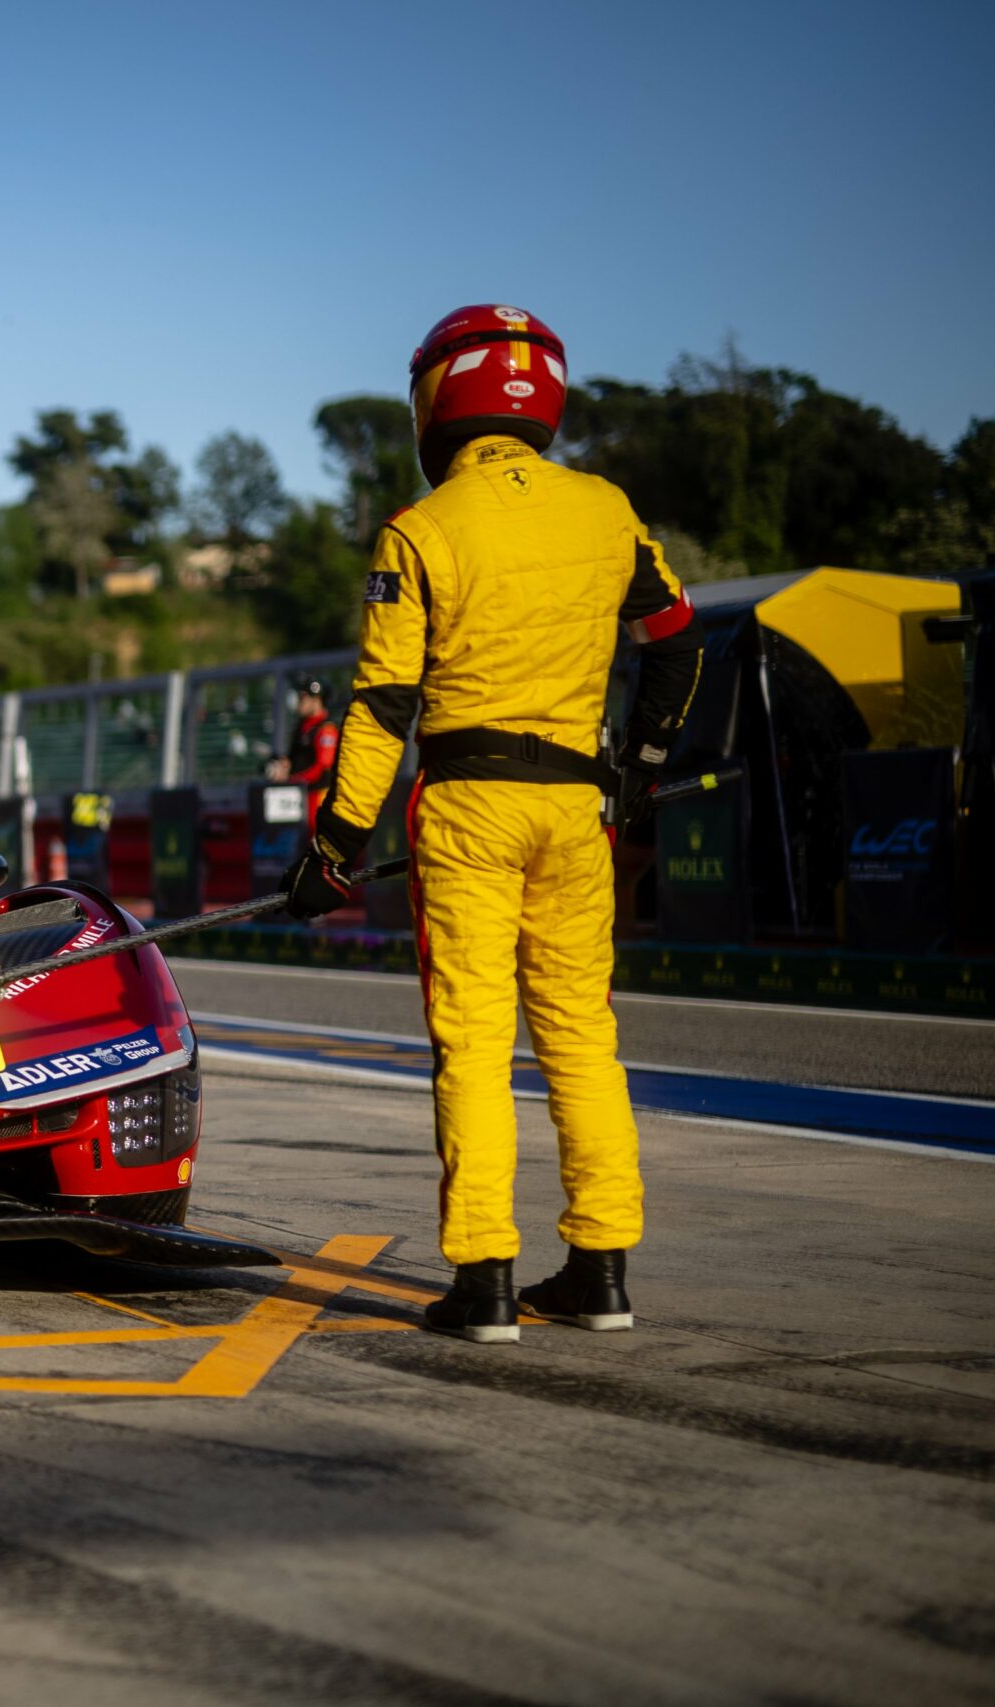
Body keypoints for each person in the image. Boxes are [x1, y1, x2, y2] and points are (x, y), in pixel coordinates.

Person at [282, 304, 704, 1344]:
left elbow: (383, 706)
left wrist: (333, 848)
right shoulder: (606, 511)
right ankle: (601, 1272)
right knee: (581, 1039)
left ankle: (483, 1281)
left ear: (437, 397)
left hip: (468, 806)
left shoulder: (420, 532)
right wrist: (642, 770)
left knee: (472, 1042)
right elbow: (675, 643)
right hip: (576, 808)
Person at [264, 675, 341, 829]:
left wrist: (292, 779)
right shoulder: (301, 728)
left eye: (303, 697)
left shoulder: (326, 730)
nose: (299, 702)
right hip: (297, 798)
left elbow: (322, 768)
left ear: (316, 699)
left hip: (317, 798)